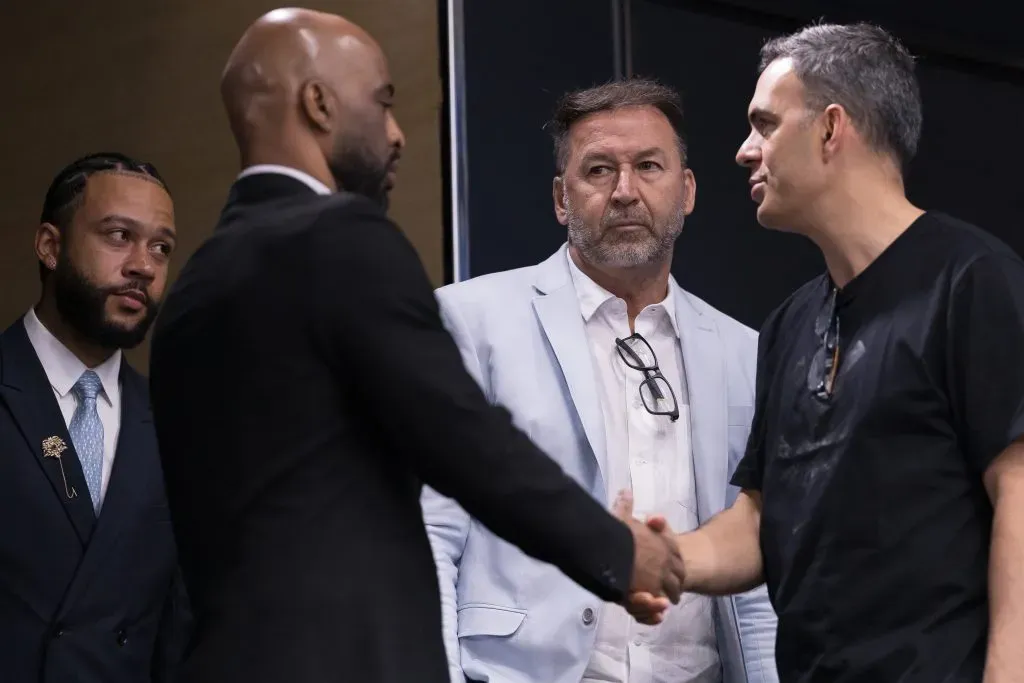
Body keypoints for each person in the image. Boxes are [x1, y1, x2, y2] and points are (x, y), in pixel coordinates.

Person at [147, 9, 686, 683]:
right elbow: (464, 440)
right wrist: (619, 549)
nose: (397, 134)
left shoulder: (192, 290)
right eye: (383, 103)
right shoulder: (342, 237)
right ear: (318, 104)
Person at [624, 22, 1024, 683]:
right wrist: (664, 556)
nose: (744, 152)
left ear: (830, 129)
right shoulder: (789, 325)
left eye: (765, 124)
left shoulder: (974, 282)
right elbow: (760, 518)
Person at [422, 79, 778, 683]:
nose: (625, 192)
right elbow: (430, 530)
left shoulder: (747, 352)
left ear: (686, 190)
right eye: (598, 170)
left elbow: (758, 557)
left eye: (648, 166)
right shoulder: (468, 321)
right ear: (562, 198)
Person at [0, 152, 190, 682]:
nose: (143, 266)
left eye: (161, 247)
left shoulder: (176, 425)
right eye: (118, 235)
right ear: (50, 246)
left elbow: (179, 632)